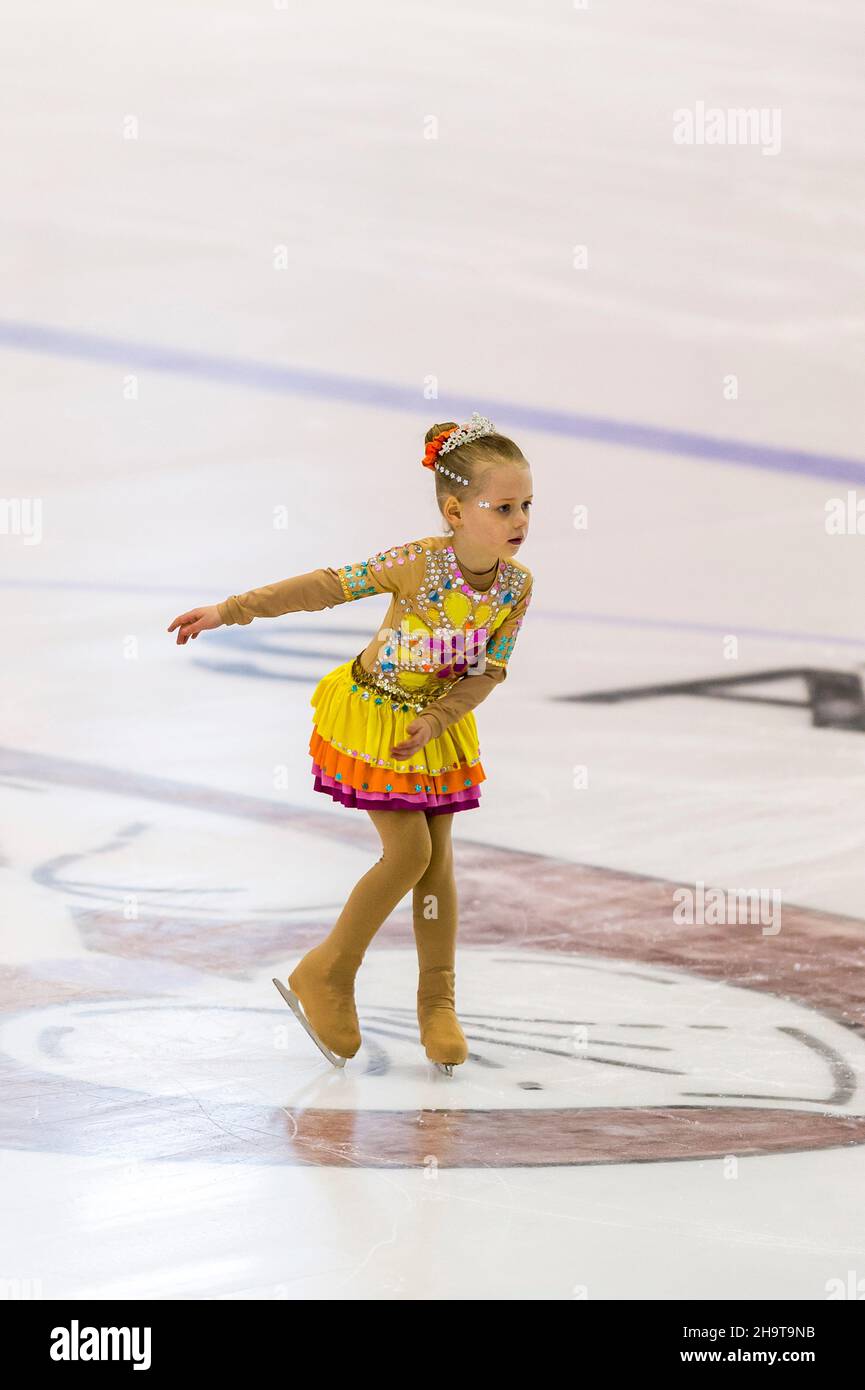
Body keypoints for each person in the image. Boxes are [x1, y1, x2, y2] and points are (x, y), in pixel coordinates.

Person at [167, 413, 533, 1074]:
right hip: (371, 718)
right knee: (409, 852)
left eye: (525, 506)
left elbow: (489, 670)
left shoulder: (514, 586)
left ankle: (436, 1004)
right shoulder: (417, 563)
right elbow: (326, 587)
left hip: (434, 727)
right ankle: (328, 972)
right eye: (502, 506)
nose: (519, 519)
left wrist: (439, 719)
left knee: (438, 862)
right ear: (454, 510)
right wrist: (231, 609)